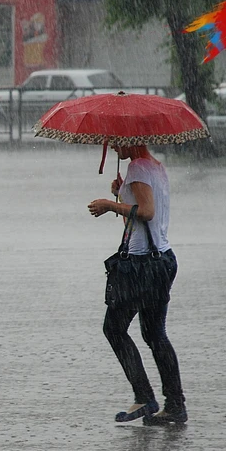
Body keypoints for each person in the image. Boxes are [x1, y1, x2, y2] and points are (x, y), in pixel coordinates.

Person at [87, 144, 188, 425]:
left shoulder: (138, 167)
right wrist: (121, 193)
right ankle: (175, 404)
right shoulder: (155, 166)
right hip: (162, 261)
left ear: (132, 137)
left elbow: (146, 211)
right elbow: (133, 221)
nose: (113, 145)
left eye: (117, 139)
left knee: (114, 329)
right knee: (155, 335)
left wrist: (110, 205)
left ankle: (144, 396)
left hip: (141, 265)